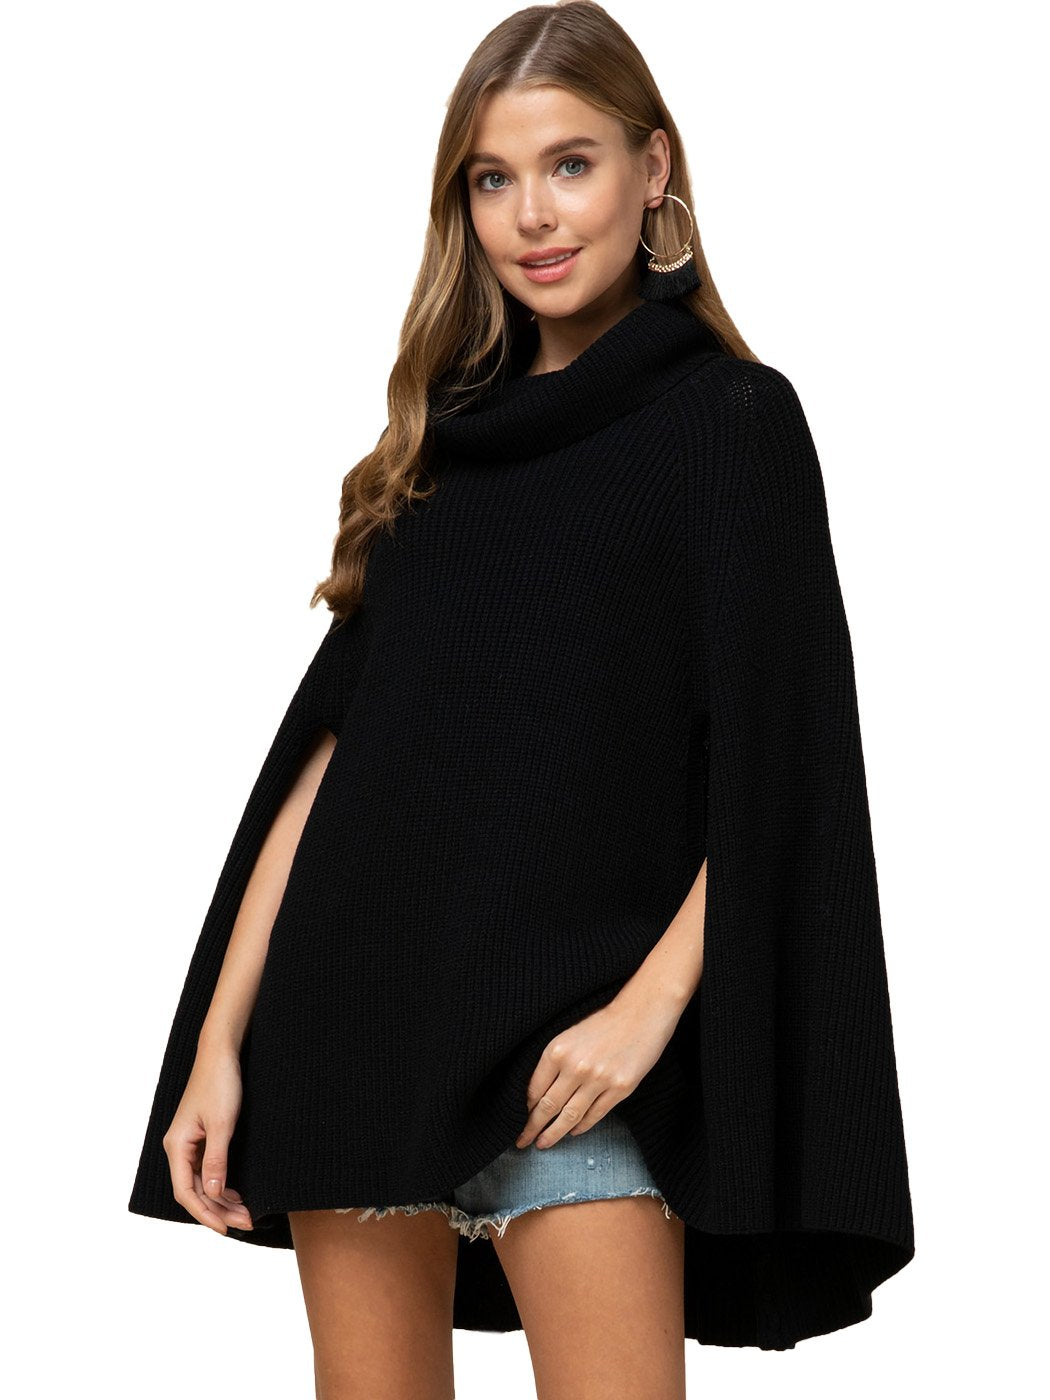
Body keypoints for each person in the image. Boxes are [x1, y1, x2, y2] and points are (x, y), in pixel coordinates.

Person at [128, 3, 915, 1395]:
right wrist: (220, 1043)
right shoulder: (439, 448)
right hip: (358, 1026)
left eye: (571, 165)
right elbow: (336, 760)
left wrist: (646, 1012)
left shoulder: (731, 424)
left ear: (653, 170)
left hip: (577, 1058)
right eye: (492, 178)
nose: (531, 215)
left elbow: (782, 768)